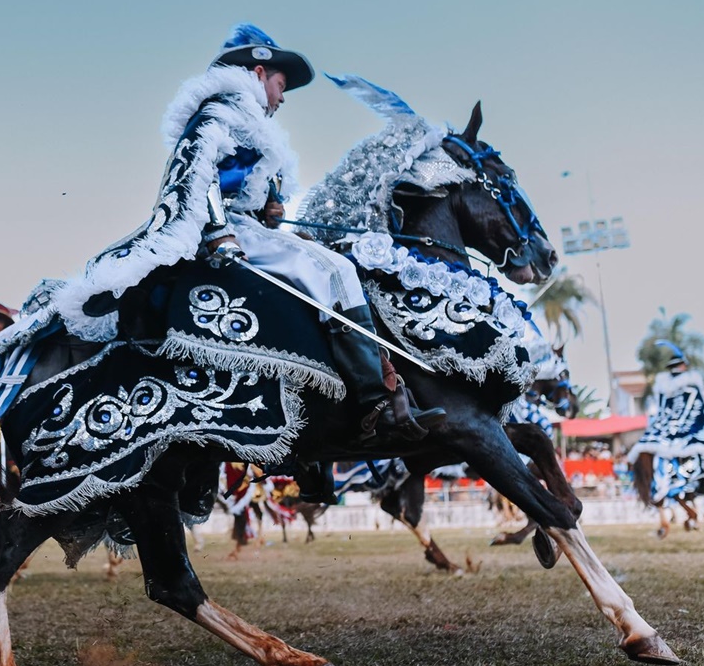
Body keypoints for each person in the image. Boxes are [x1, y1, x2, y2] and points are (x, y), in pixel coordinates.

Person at [50, 24, 445, 446]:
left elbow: (238, 190)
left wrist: (269, 210)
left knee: (328, 265)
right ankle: (374, 402)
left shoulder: (247, 120)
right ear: (259, 72)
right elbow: (196, 178)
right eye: (280, 83)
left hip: (246, 226)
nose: (283, 94)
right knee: (336, 274)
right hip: (224, 232)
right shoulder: (224, 112)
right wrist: (221, 232)